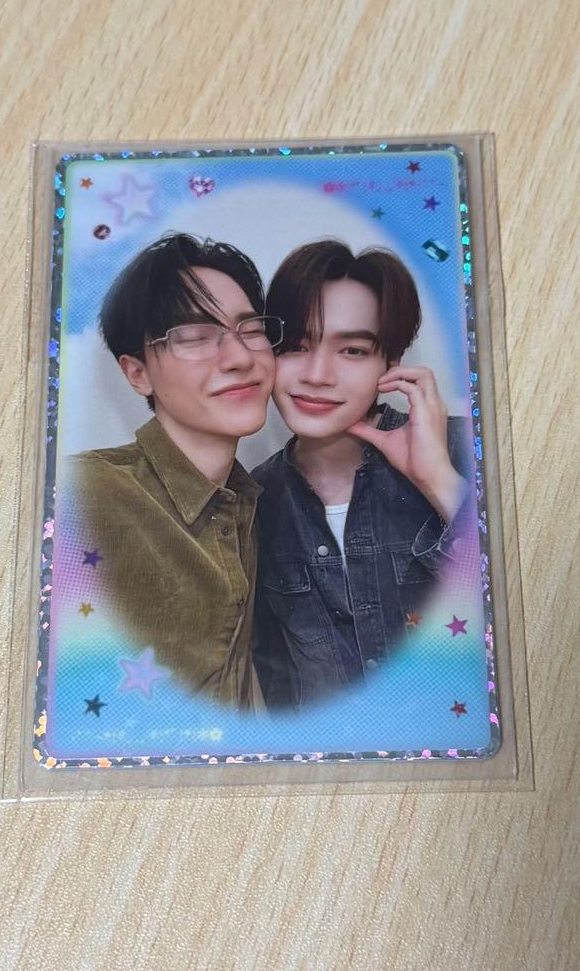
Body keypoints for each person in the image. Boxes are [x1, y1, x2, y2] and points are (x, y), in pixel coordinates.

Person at [63, 233, 283, 709]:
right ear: (137, 373)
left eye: (250, 329)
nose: (240, 357)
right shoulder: (84, 494)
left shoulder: (251, 503)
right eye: (194, 337)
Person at [252, 240, 472, 709]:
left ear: (390, 365)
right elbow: (276, 681)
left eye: (352, 350)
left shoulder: (468, 450)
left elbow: (526, 617)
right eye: (296, 346)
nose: (317, 374)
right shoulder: (253, 501)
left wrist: (438, 480)